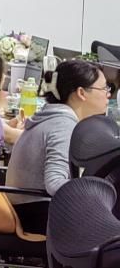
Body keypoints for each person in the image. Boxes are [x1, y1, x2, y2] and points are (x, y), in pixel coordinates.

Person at [6, 59, 110, 198]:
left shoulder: (51, 117)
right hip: (37, 209)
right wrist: (96, 194)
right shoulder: (63, 125)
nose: (108, 94)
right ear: (81, 93)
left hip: (22, 205)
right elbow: (54, 183)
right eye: (104, 88)